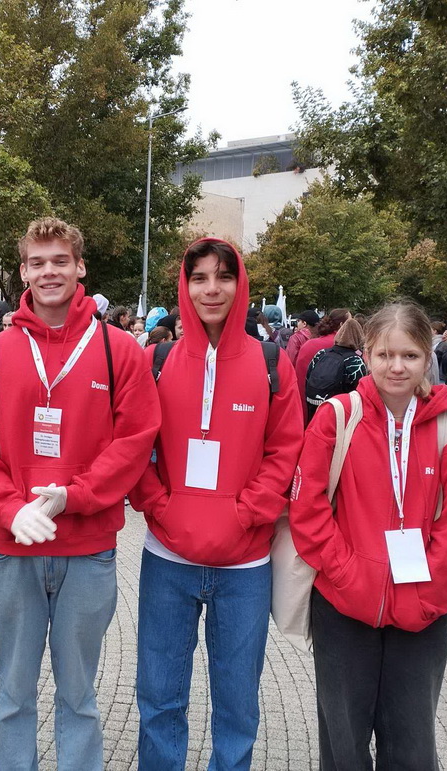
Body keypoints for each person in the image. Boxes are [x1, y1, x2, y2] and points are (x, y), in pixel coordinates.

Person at [0, 217, 160, 771]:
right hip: (11, 549)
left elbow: (134, 440)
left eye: (60, 261)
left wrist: (76, 495)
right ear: (23, 271)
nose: (49, 272)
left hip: (88, 549)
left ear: (80, 268)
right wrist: (9, 509)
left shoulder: (120, 350)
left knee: (80, 697)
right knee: (12, 697)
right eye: (38, 262)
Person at [130, 238, 303, 770]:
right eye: (199, 277)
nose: (211, 289)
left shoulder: (271, 362)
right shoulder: (156, 360)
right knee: (160, 699)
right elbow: (134, 445)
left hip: (245, 566)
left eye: (223, 276)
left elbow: (285, 449)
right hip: (167, 559)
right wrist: (160, 507)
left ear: (239, 284)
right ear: (185, 286)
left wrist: (246, 513)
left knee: (236, 706)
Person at [290, 302, 447, 770]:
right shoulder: (338, 417)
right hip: (343, 605)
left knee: (413, 744)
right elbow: (307, 508)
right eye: (385, 355)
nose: (397, 367)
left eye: (410, 356)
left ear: (427, 357)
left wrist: (430, 593)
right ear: (367, 354)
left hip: (422, 609)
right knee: (343, 743)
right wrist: (347, 575)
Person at [304, 317, 368, 424]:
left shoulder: (321, 353)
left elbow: (307, 379)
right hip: (339, 414)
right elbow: (361, 394)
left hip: (314, 407)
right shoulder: (355, 361)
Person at [295, 308, 351, 408]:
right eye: (350, 323)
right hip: (336, 406)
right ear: (342, 325)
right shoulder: (344, 347)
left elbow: (300, 379)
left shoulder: (309, 344)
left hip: (307, 403)